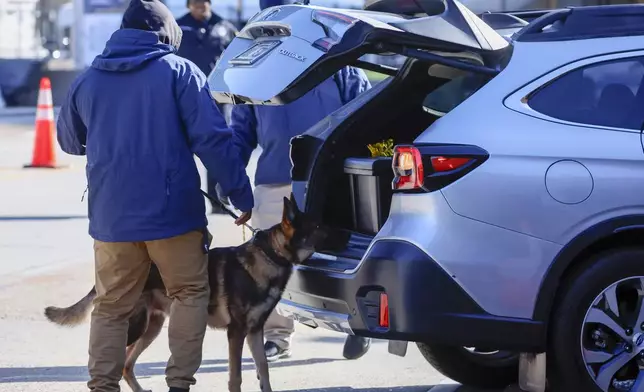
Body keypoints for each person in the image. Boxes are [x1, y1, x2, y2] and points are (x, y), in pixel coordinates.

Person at [55, 0, 253, 391]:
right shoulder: (179, 72)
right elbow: (212, 140)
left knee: (112, 305)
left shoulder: (88, 78)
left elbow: (68, 141)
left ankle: (102, 386)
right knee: (190, 293)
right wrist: (239, 194)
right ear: (165, 33)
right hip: (173, 215)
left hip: (111, 217)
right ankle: (179, 383)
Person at [229, 0, 373, 362]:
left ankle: (360, 326)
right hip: (275, 181)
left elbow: (364, 112)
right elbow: (242, 131)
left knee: (342, 258)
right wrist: (231, 183)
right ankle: (276, 336)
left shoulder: (334, 55)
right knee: (266, 265)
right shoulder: (255, 62)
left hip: (329, 184)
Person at [176, 0, 238, 214]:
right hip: (184, 98)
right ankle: (184, 202)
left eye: (203, 1)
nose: (199, 5)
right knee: (181, 150)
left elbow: (238, 60)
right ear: (188, 5)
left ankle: (219, 200)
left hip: (217, 99)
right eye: (194, 2)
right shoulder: (177, 27)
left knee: (217, 148)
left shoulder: (226, 27)